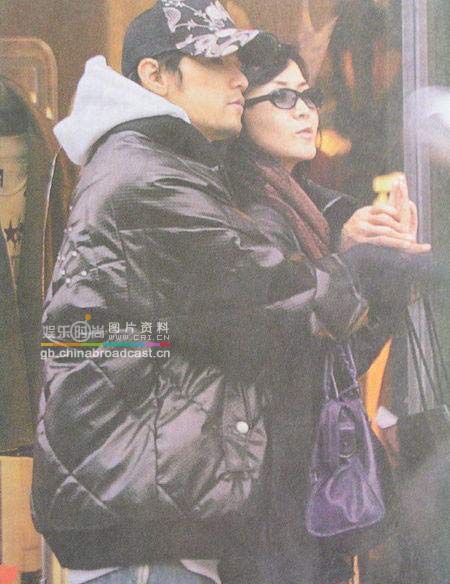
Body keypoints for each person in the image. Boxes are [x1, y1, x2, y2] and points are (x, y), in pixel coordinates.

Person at [31, 3, 428, 584]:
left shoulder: (160, 163)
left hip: (156, 507)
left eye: (239, 62)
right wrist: (376, 266)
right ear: (155, 75)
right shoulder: (147, 174)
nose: (239, 77)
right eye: (216, 61)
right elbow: (267, 300)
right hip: (144, 523)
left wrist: (345, 232)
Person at [222, 42, 431, 583]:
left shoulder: (307, 206)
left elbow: (338, 357)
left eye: (309, 96)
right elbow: (295, 351)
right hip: (268, 475)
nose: (306, 112)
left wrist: (379, 263)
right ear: (238, 108)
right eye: (283, 97)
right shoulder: (246, 211)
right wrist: (357, 265)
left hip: (303, 466)